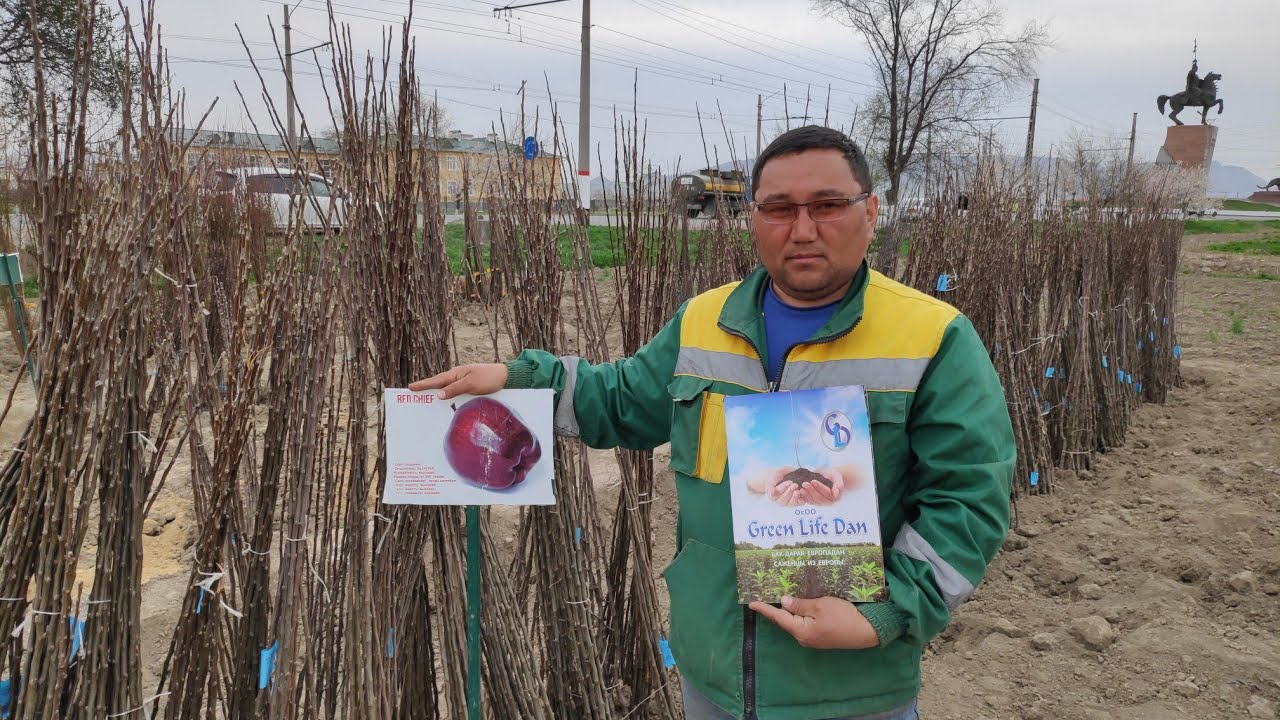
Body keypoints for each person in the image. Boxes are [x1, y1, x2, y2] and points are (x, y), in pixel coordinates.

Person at [411, 126, 1015, 720]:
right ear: (752, 217)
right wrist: (521, 379)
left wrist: (886, 612)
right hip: (714, 674)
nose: (802, 229)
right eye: (778, 209)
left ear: (871, 210)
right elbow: (625, 399)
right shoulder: (704, 320)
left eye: (828, 205)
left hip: (849, 687)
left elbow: (969, 499)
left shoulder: (932, 337)